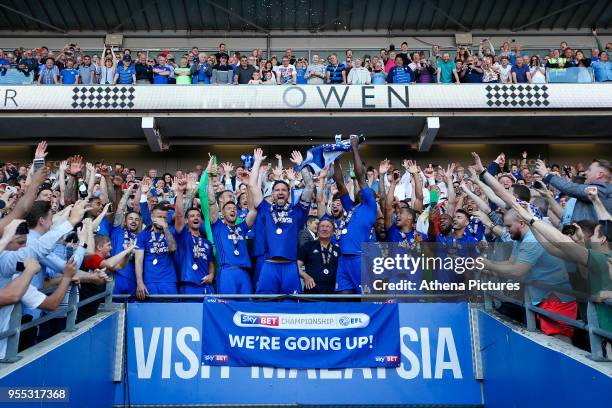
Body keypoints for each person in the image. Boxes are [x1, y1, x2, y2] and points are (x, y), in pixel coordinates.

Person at [482, 208, 577, 343]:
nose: (507, 230)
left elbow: (518, 271)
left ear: (521, 223)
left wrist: (489, 265)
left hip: (557, 298)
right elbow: (511, 263)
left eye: (509, 226)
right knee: (551, 342)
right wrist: (490, 264)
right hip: (543, 297)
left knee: (561, 341)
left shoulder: (532, 239)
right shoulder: (519, 239)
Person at [248, 148, 315, 294]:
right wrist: (257, 162)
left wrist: (302, 165)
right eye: (277, 190)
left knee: (292, 307)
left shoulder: (298, 211)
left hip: (290, 266)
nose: (280, 192)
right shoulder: (265, 209)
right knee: (264, 304)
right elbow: (252, 186)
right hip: (269, 266)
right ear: (272, 194)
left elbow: (310, 186)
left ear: (288, 193)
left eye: (283, 190)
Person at [331, 137, 376, 294]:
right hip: (344, 258)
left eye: (364, 190)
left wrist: (354, 148)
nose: (360, 190)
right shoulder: (351, 207)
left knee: (366, 296)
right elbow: (339, 183)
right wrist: (335, 158)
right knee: (343, 297)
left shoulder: (370, 206)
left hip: (359, 258)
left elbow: (359, 176)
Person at [207, 158, 257, 294]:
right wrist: (211, 180)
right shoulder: (217, 226)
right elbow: (211, 202)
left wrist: (247, 186)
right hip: (226, 272)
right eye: (228, 208)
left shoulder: (241, 228)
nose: (232, 210)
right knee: (227, 306)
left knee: (246, 306)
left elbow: (252, 210)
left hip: (244, 272)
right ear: (222, 212)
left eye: (234, 208)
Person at [173, 178, 215, 295]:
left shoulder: (206, 242)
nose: (195, 218)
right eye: (192, 216)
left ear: (201, 220)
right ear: (186, 221)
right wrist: (180, 192)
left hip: (206, 285)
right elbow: (179, 215)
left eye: (198, 216)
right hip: (188, 284)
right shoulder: (183, 236)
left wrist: (212, 274)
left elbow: (211, 263)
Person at [135, 203, 178, 300]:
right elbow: (138, 261)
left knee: (172, 312)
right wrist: (139, 282)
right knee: (151, 313)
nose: (162, 220)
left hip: (169, 281)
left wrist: (165, 228)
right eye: (159, 217)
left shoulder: (171, 231)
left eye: (164, 217)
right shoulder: (143, 235)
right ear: (152, 217)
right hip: (149, 281)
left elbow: (173, 248)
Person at [298, 218, 340, 294]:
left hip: (333, 293)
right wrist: (306, 276)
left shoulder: (337, 250)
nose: (324, 229)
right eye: (322, 226)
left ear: (333, 232)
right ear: (317, 230)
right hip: (312, 292)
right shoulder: (308, 246)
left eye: (328, 227)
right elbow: (297, 267)